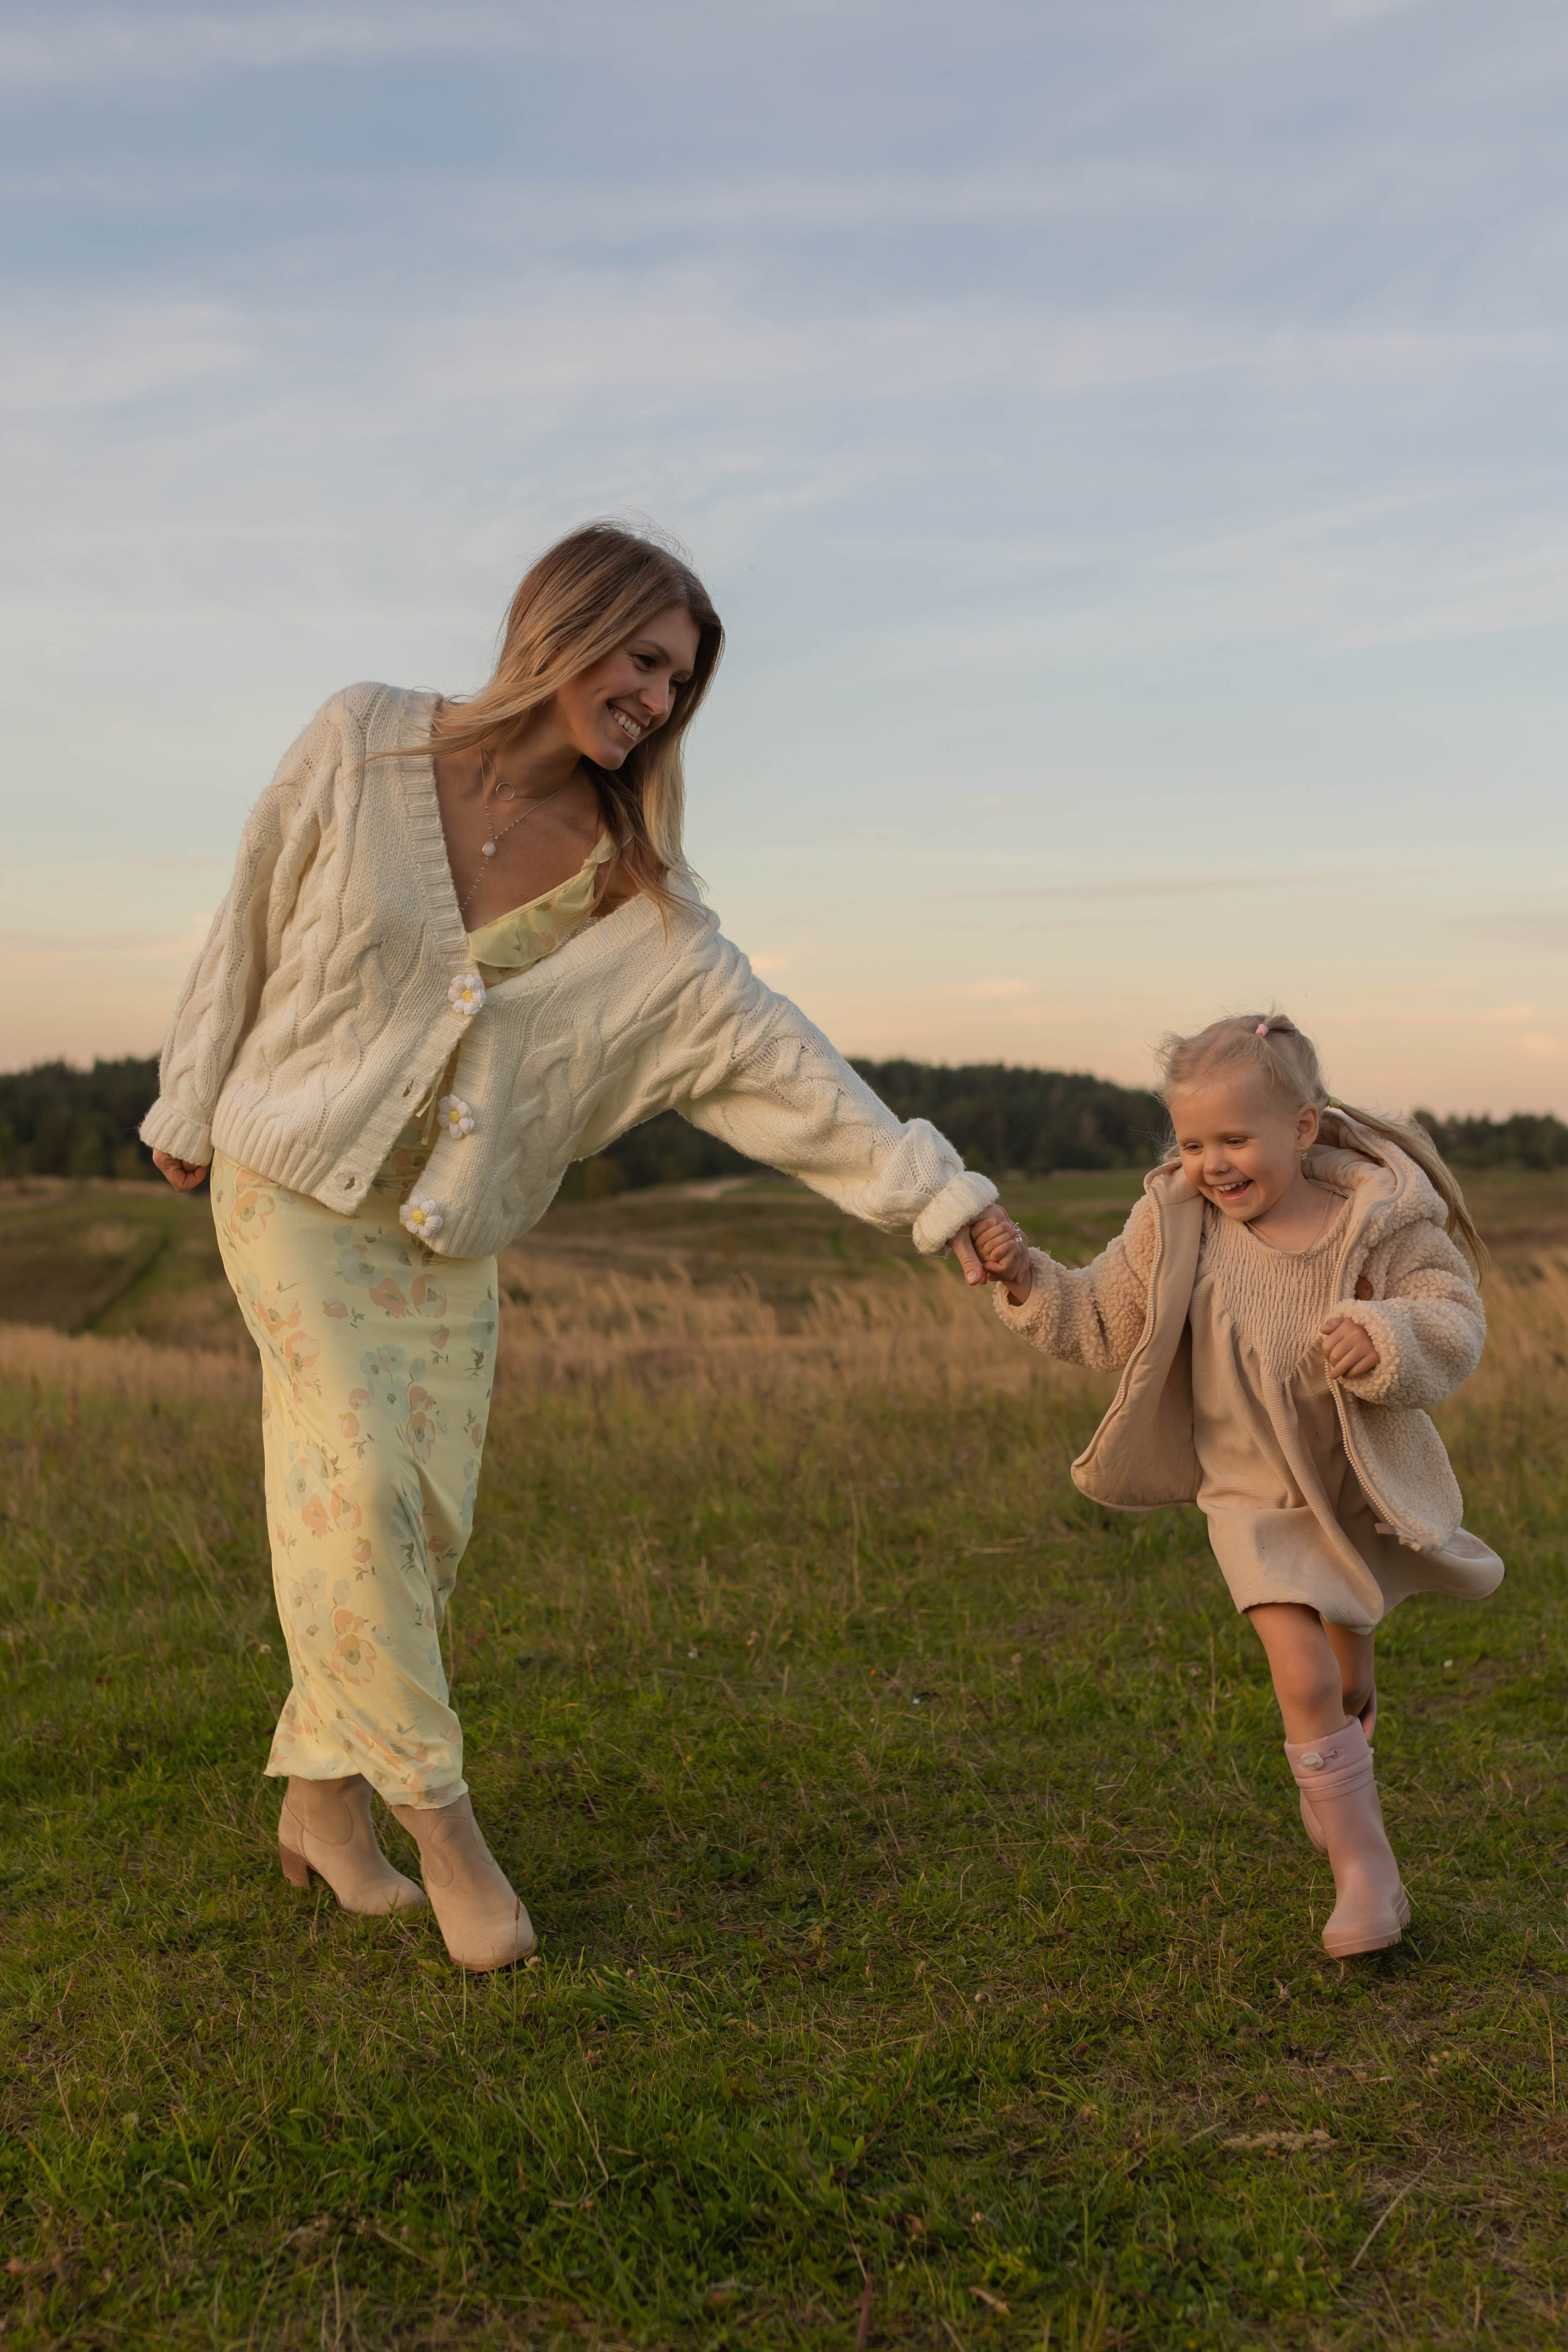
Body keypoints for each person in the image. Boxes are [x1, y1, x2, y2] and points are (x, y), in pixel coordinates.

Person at [142, 522, 1001, 1972]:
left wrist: (946, 1200)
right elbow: (248, 915)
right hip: (285, 1183)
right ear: (563, 625)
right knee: (357, 1482)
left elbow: (785, 1072)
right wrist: (186, 1090)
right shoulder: (362, 743)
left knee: (404, 1521)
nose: (658, 704)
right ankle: (441, 1824)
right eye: (645, 661)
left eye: (679, 685)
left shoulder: (640, 904)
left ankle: (319, 1806)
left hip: (443, 1245)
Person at [971, 1012, 1502, 1960]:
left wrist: (1384, 1334)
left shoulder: (1379, 1217)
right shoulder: (1175, 1222)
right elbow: (1098, 1321)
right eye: (1192, 1142)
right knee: (1299, 1676)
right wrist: (1023, 1276)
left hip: (1352, 1480)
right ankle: (1366, 1872)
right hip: (1249, 1493)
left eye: (1235, 1139)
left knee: (1339, 1674)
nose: (1212, 1164)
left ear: (1302, 1129)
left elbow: (1453, 1317)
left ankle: (1347, 1720)